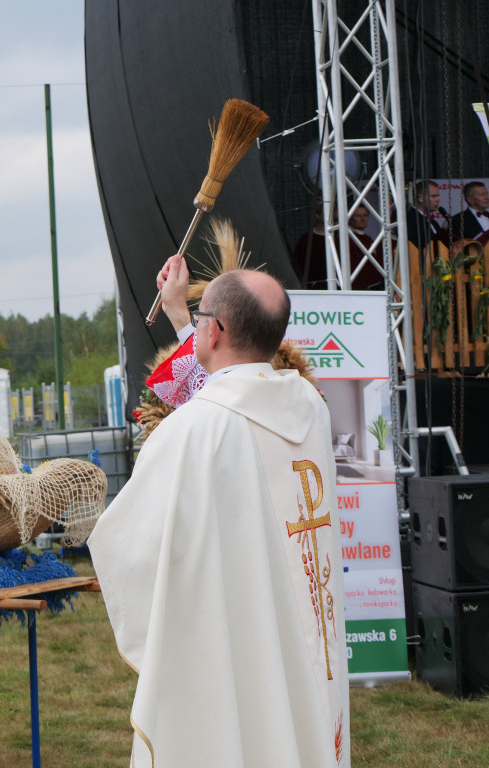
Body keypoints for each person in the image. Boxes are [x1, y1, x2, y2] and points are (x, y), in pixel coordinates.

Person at [90, 257, 349, 767]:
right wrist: (182, 315)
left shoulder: (193, 430)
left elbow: (127, 545)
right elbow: (236, 385)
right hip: (312, 623)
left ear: (217, 329)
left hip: (239, 630)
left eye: (202, 316)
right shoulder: (309, 406)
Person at [405, 179, 450, 252]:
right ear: (420, 198)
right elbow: (416, 246)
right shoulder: (410, 219)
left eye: (438, 196)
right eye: (434, 196)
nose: (438, 200)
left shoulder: (433, 222)